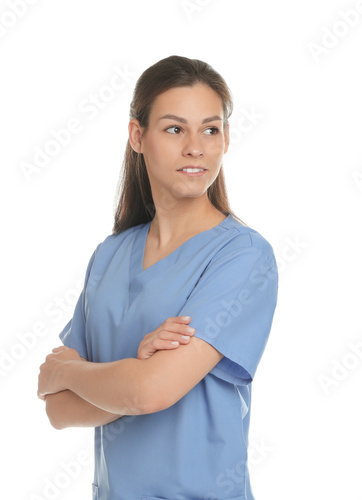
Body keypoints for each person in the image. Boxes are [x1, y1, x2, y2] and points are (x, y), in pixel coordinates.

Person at [37, 55, 279, 500]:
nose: (196, 147)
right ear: (137, 136)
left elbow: (149, 394)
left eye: (211, 129)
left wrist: (72, 371)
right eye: (174, 128)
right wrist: (131, 374)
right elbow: (58, 409)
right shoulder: (109, 256)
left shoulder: (242, 256)